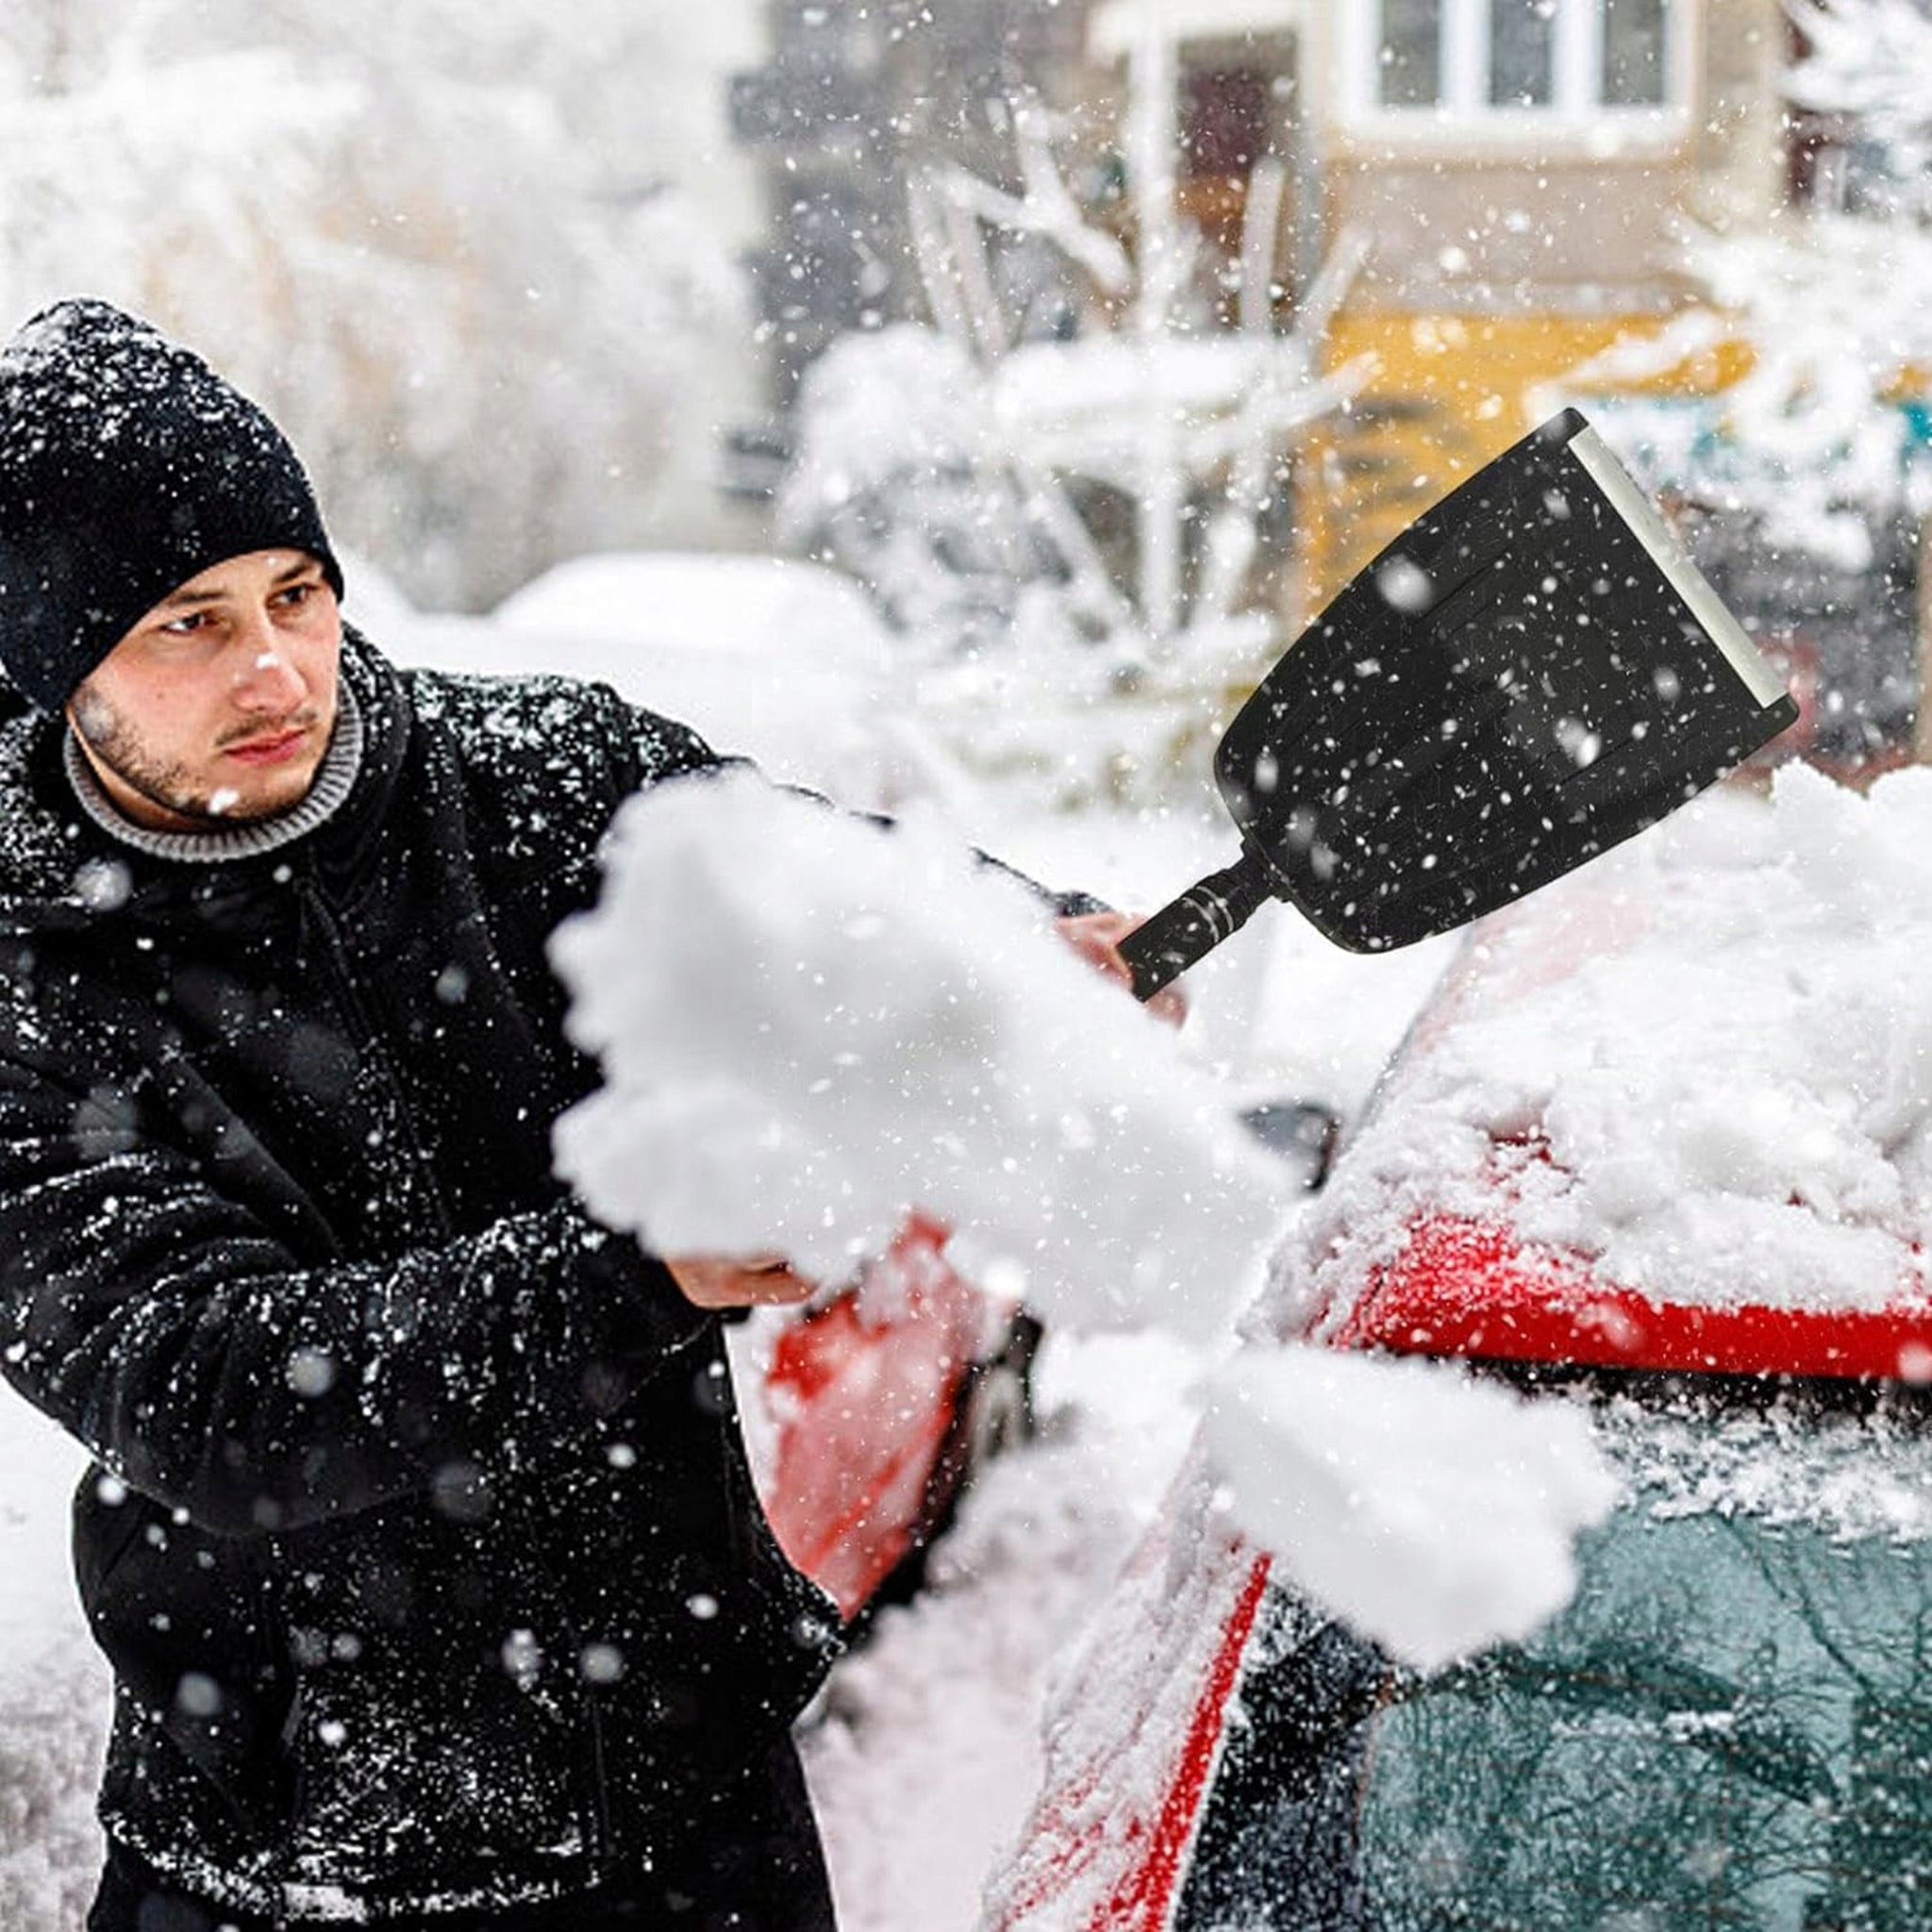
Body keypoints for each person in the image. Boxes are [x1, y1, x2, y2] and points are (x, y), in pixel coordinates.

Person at [0, 300, 1141, 1931]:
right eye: (189, 624)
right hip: (293, 1864)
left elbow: (822, 895)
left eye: (297, 594)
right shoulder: (33, 989)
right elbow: (221, 1395)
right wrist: (634, 1268)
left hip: (686, 1811)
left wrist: (1031, 944)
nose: (275, 665)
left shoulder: (527, 778)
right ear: (59, 664)